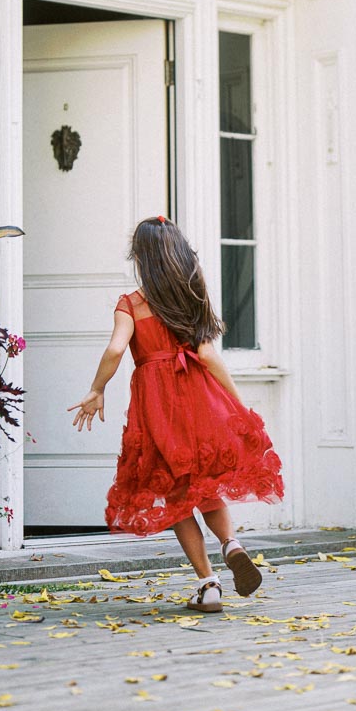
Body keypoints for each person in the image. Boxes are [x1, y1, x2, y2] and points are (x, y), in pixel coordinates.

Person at [69, 216, 284, 614]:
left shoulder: (131, 303)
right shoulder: (192, 295)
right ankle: (231, 545)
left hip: (157, 406)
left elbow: (117, 350)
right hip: (198, 398)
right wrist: (237, 406)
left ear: (141, 258)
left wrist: (97, 389)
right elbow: (206, 355)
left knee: (177, 494)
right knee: (204, 483)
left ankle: (208, 584)